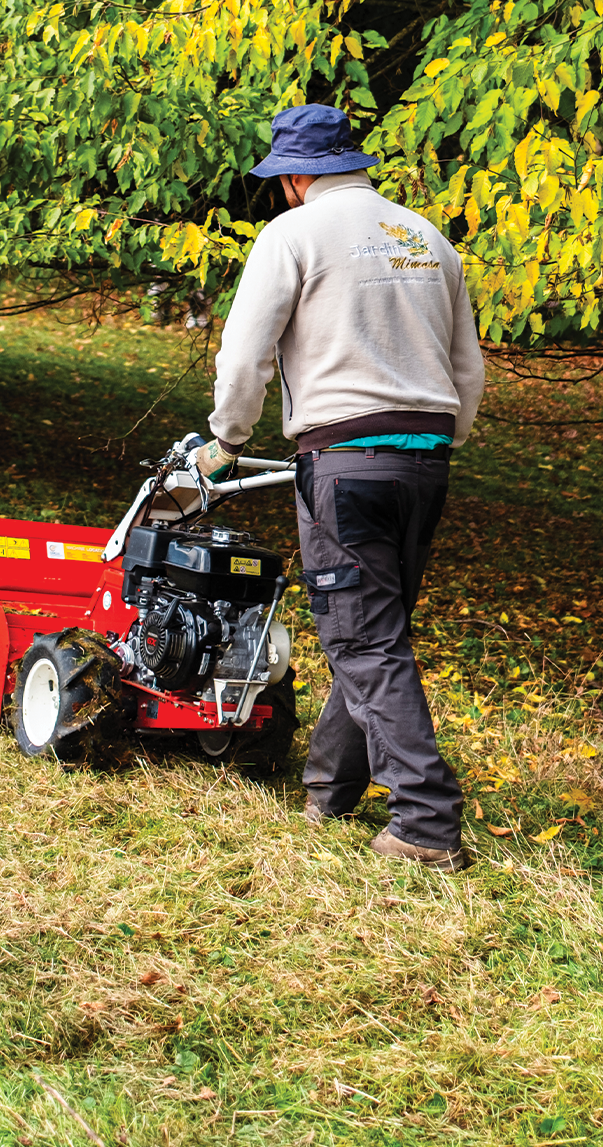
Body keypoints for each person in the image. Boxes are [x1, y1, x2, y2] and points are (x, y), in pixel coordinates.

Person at [198, 103, 485, 872]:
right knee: (375, 629)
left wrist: (226, 442)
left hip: (345, 460)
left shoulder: (292, 235)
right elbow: (467, 371)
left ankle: (425, 819)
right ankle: (331, 787)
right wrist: (437, 443)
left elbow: (243, 358)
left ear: (295, 177)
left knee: (361, 636)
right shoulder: (428, 239)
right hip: (427, 460)